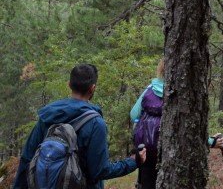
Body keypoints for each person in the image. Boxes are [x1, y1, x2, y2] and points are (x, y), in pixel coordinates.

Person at [14, 63, 145, 189]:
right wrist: (133, 162)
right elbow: (100, 171)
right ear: (93, 88)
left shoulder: (48, 116)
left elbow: (27, 159)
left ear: (69, 85)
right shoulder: (95, 123)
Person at [129, 59, 223, 189]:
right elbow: (190, 129)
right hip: (172, 155)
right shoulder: (183, 94)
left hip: (146, 153)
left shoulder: (150, 89)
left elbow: (134, 114)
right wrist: (211, 142)